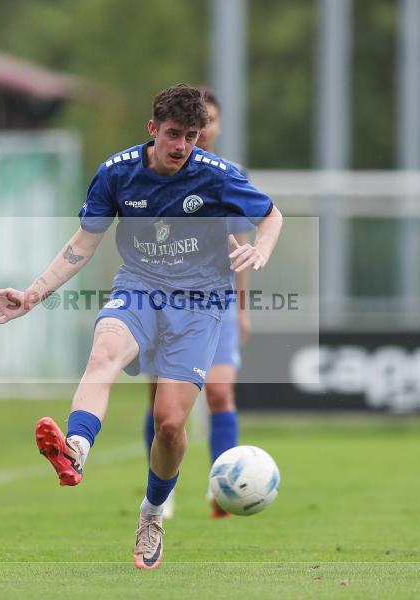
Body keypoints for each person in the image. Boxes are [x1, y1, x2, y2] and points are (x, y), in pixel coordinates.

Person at [0, 84, 282, 569]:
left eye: (190, 135)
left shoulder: (216, 176)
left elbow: (271, 216)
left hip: (199, 305)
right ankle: (75, 448)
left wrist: (260, 250)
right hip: (138, 288)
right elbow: (83, 244)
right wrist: (33, 294)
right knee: (103, 355)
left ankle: (152, 512)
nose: (182, 145)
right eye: (173, 135)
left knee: (169, 423)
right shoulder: (117, 174)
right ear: (152, 129)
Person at [143, 87, 251, 519]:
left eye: (206, 123)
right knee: (161, 403)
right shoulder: (154, 171)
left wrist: (243, 307)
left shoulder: (228, 174)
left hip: (216, 302)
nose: (197, 133)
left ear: (213, 128)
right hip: (162, 298)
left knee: (221, 392)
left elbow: (240, 240)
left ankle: (221, 486)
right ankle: (162, 490)